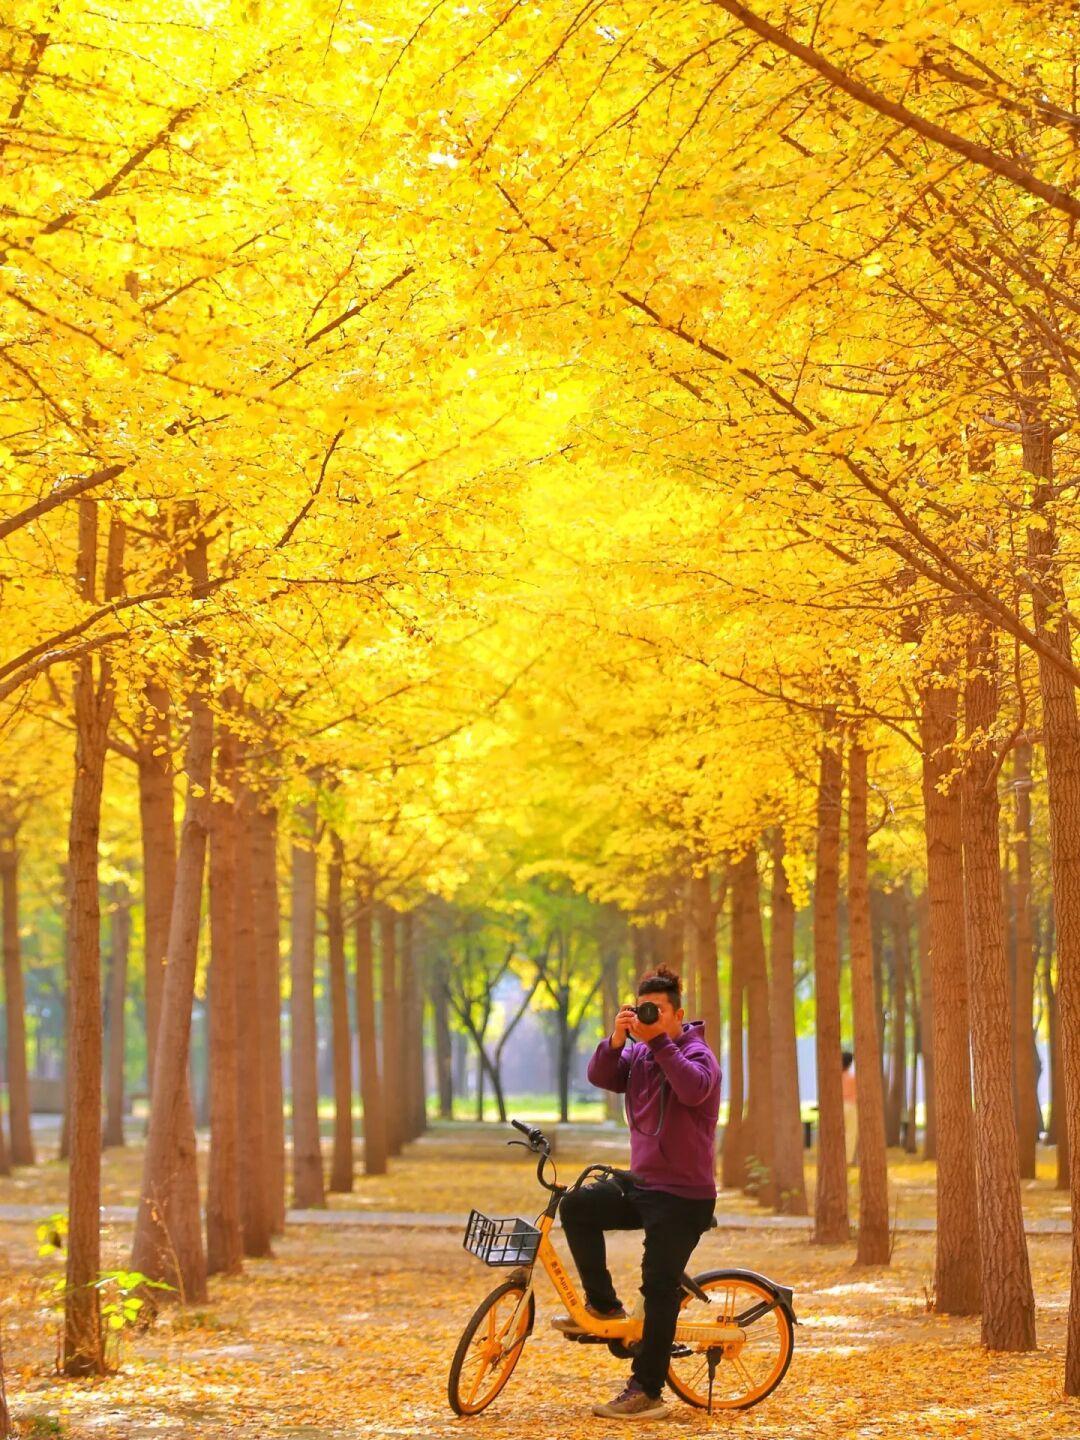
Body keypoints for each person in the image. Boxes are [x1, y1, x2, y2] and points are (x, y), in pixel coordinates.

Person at [554, 964, 721, 1421]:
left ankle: (648, 1391)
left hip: (684, 1194)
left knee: (659, 1286)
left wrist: (659, 1042)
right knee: (578, 1205)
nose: (649, 1015)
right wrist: (615, 1039)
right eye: (642, 1007)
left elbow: (692, 1089)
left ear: (678, 1013)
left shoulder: (698, 1054)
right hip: (644, 1183)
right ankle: (605, 1306)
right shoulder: (642, 1056)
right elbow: (602, 1076)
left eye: (658, 1010)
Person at [842, 1050, 858, 1167]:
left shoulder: (834, 1078)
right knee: (851, 1133)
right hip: (851, 1106)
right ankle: (847, 1160)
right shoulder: (853, 1078)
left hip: (838, 1106)